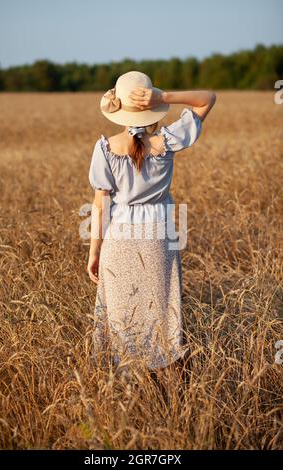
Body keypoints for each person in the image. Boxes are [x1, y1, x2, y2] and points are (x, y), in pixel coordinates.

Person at [86, 70, 216, 380]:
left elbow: (99, 205)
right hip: (159, 237)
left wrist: (94, 253)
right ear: (152, 107)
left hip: (118, 241)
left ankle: (127, 394)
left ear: (118, 112)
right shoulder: (167, 141)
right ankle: (166, 388)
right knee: (161, 315)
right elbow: (208, 98)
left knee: (121, 320)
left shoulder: (104, 148)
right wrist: (165, 97)